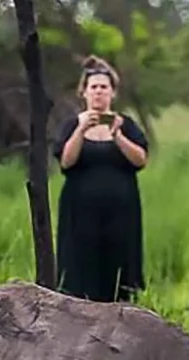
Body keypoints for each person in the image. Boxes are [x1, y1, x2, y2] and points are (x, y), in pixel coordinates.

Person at [53, 56, 150, 302]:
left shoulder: (126, 125)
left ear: (113, 93)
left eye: (104, 87)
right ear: (84, 92)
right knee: (80, 271)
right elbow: (66, 161)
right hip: (80, 214)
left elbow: (140, 159)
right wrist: (81, 130)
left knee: (118, 270)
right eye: (93, 87)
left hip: (120, 214)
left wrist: (117, 135)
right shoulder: (71, 125)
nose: (98, 92)